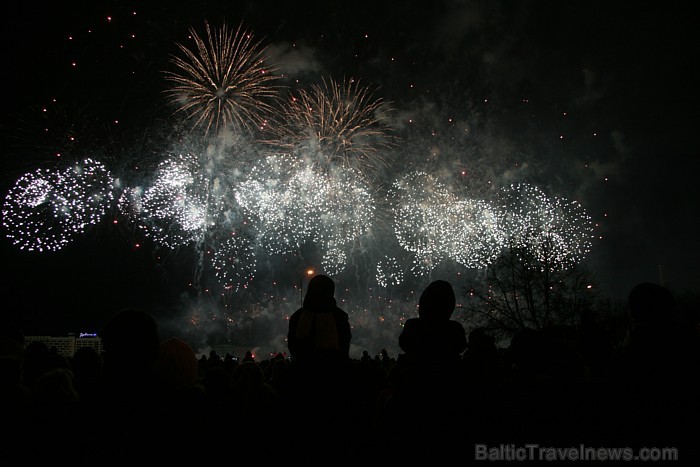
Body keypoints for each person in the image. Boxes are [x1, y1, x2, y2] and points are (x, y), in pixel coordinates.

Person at [287, 274, 351, 366]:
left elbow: (293, 345)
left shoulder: (298, 316)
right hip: (335, 369)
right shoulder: (339, 316)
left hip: (304, 370)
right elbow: (344, 344)